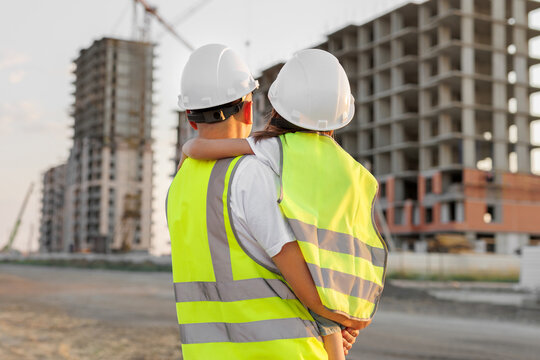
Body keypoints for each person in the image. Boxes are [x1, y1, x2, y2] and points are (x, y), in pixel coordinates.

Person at [181, 49, 389, 357]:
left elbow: (199, 148)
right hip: (330, 309)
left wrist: (187, 150)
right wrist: (346, 319)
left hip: (220, 345)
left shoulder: (269, 153)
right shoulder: (355, 173)